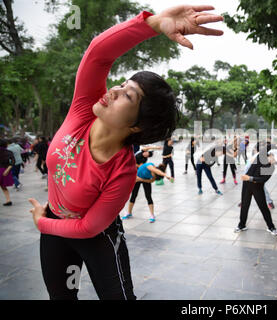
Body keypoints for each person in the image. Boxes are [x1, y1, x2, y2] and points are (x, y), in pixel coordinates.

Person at [27, 4, 223, 300]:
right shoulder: (84, 109)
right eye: (121, 84)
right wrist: (155, 24)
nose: (113, 90)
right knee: (62, 297)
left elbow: (89, 226)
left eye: (126, 96)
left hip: (97, 236)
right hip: (55, 232)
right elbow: (99, 53)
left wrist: (43, 223)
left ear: (135, 127)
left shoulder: (123, 171)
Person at [234, 147, 277, 236]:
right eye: (274, 159)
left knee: (263, 207)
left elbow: (263, 179)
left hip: (257, 187)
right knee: (244, 205)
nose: (274, 161)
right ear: (270, 155)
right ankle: (241, 225)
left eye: (276, 161)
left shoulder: (271, 167)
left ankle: (271, 227)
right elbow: (252, 168)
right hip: (247, 185)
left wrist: (250, 178)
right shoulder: (260, 157)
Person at [122, 151, 173, 222]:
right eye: (153, 174)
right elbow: (157, 171)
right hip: (137, 178)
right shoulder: (150, 166)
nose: (153, 176)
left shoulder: (154, 176)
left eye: (154, 176)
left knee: (148, 196)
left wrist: (142, 179)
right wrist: (166, 175)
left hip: (144, 179)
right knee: (134, 195)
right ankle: (129, 213)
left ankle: (152, 215)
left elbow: (151, 181)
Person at [0, 139, 15, 206]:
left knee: (3, 187)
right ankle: (8, 200)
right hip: (5, 170)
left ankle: (8, 200)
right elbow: (13, 161)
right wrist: (7, 170)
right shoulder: (9, 152)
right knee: (3, 186)